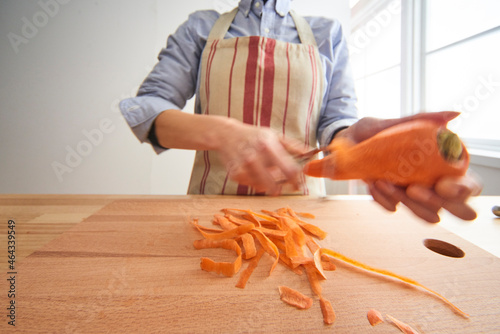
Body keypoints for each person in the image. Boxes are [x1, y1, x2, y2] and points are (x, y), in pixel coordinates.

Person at [119, 0, 481, 223]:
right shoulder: (199, 28)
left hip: (301, 214)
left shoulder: (328, 33)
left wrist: (357, 148)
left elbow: (336, 122)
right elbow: (149, 109)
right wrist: (224, 131)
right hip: (208, 212)